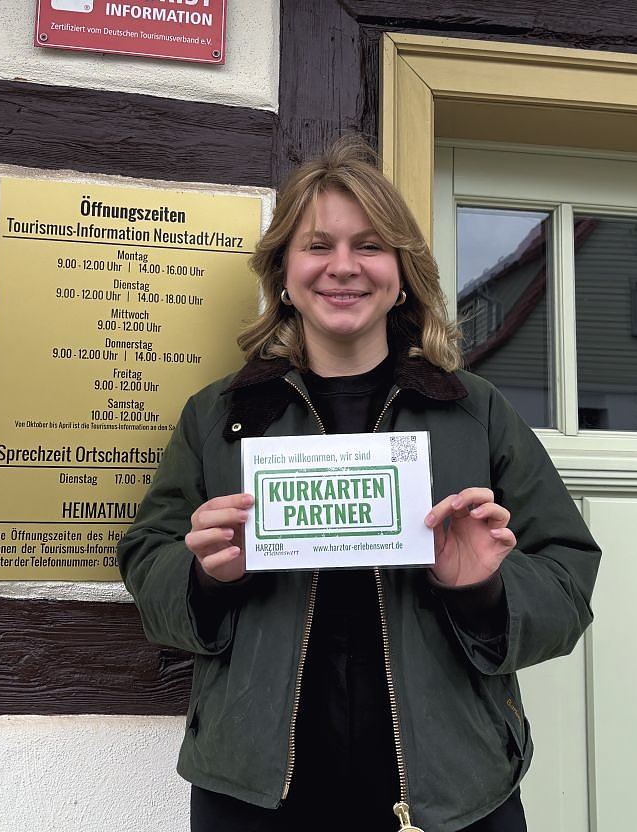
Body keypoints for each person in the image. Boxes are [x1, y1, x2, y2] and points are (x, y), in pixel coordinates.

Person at [117, 137, 600, 832]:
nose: (343, 266)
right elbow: (146, 559)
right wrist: (205, 577)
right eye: (318, 246)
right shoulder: (220, 416)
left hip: (454, 794)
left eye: (369, 246)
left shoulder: (474, 412)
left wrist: (484, 589)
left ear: (401, 276)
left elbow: (567, 577)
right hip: (254, 794)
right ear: (284, 274)